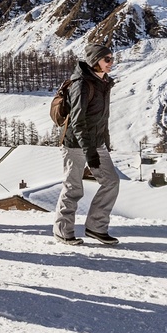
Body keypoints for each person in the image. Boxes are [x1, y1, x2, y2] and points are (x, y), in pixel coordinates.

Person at [53, 43, 120, 246]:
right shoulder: (81, 84)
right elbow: (77, 122)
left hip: (96, 142)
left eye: (112, 58)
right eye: (107, 59)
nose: (111, 62)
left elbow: (102, 117)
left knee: (111, 181)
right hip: (75, 143)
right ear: (95, 61)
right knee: (73, 187)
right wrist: (89, 151)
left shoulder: (104, 82)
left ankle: (96, 227)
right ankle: (63, 231)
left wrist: (105, 142)